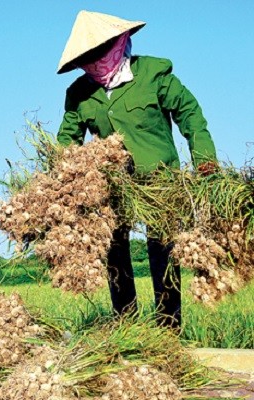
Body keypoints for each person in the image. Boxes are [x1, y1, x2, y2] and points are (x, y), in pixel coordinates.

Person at [55, 11, 217, 329]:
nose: (96, 60)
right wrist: (59, 180)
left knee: (163, 250)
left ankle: (169, 327)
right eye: (88, 56)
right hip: (111, 184)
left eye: (101, 51)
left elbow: (191, 115)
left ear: (120, 41)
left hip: (159, 178)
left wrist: (206, 162)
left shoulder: (154, 75)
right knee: (114, 251)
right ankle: (125, 324)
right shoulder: (79, 94)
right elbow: (67, 140)